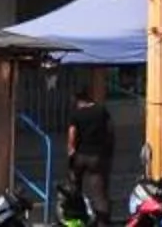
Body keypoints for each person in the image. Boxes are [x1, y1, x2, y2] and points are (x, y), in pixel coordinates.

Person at [66, 84, 112, 224]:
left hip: (80, 155)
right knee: (99, 193)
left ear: (78, 100)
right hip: (97, 156)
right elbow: (110, 131)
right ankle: (102, 222)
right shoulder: (101, 111)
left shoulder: (76, 114)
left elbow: (72, 134)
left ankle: (76, 216)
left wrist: (71, 150)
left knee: (74, 186)